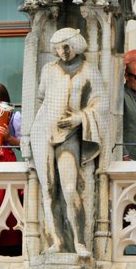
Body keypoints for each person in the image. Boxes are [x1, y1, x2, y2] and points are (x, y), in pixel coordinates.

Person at [30, 28, 105, 257]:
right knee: (48, 189)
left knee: (70, 189)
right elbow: (40, 97)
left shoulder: (88, 70)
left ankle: (79, 241)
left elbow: (101, 104)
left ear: (75, 44)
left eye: (65, 46)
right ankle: (57, 241)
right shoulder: (49, 69)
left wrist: (79, 118)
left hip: (69, 135)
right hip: (43, 131)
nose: (61, 51)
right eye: (57, 47)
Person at [123, 60, 136, 161]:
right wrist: (124, 154)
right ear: (127, 76)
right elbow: (114, 128)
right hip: (129, 159)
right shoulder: (121, 97)